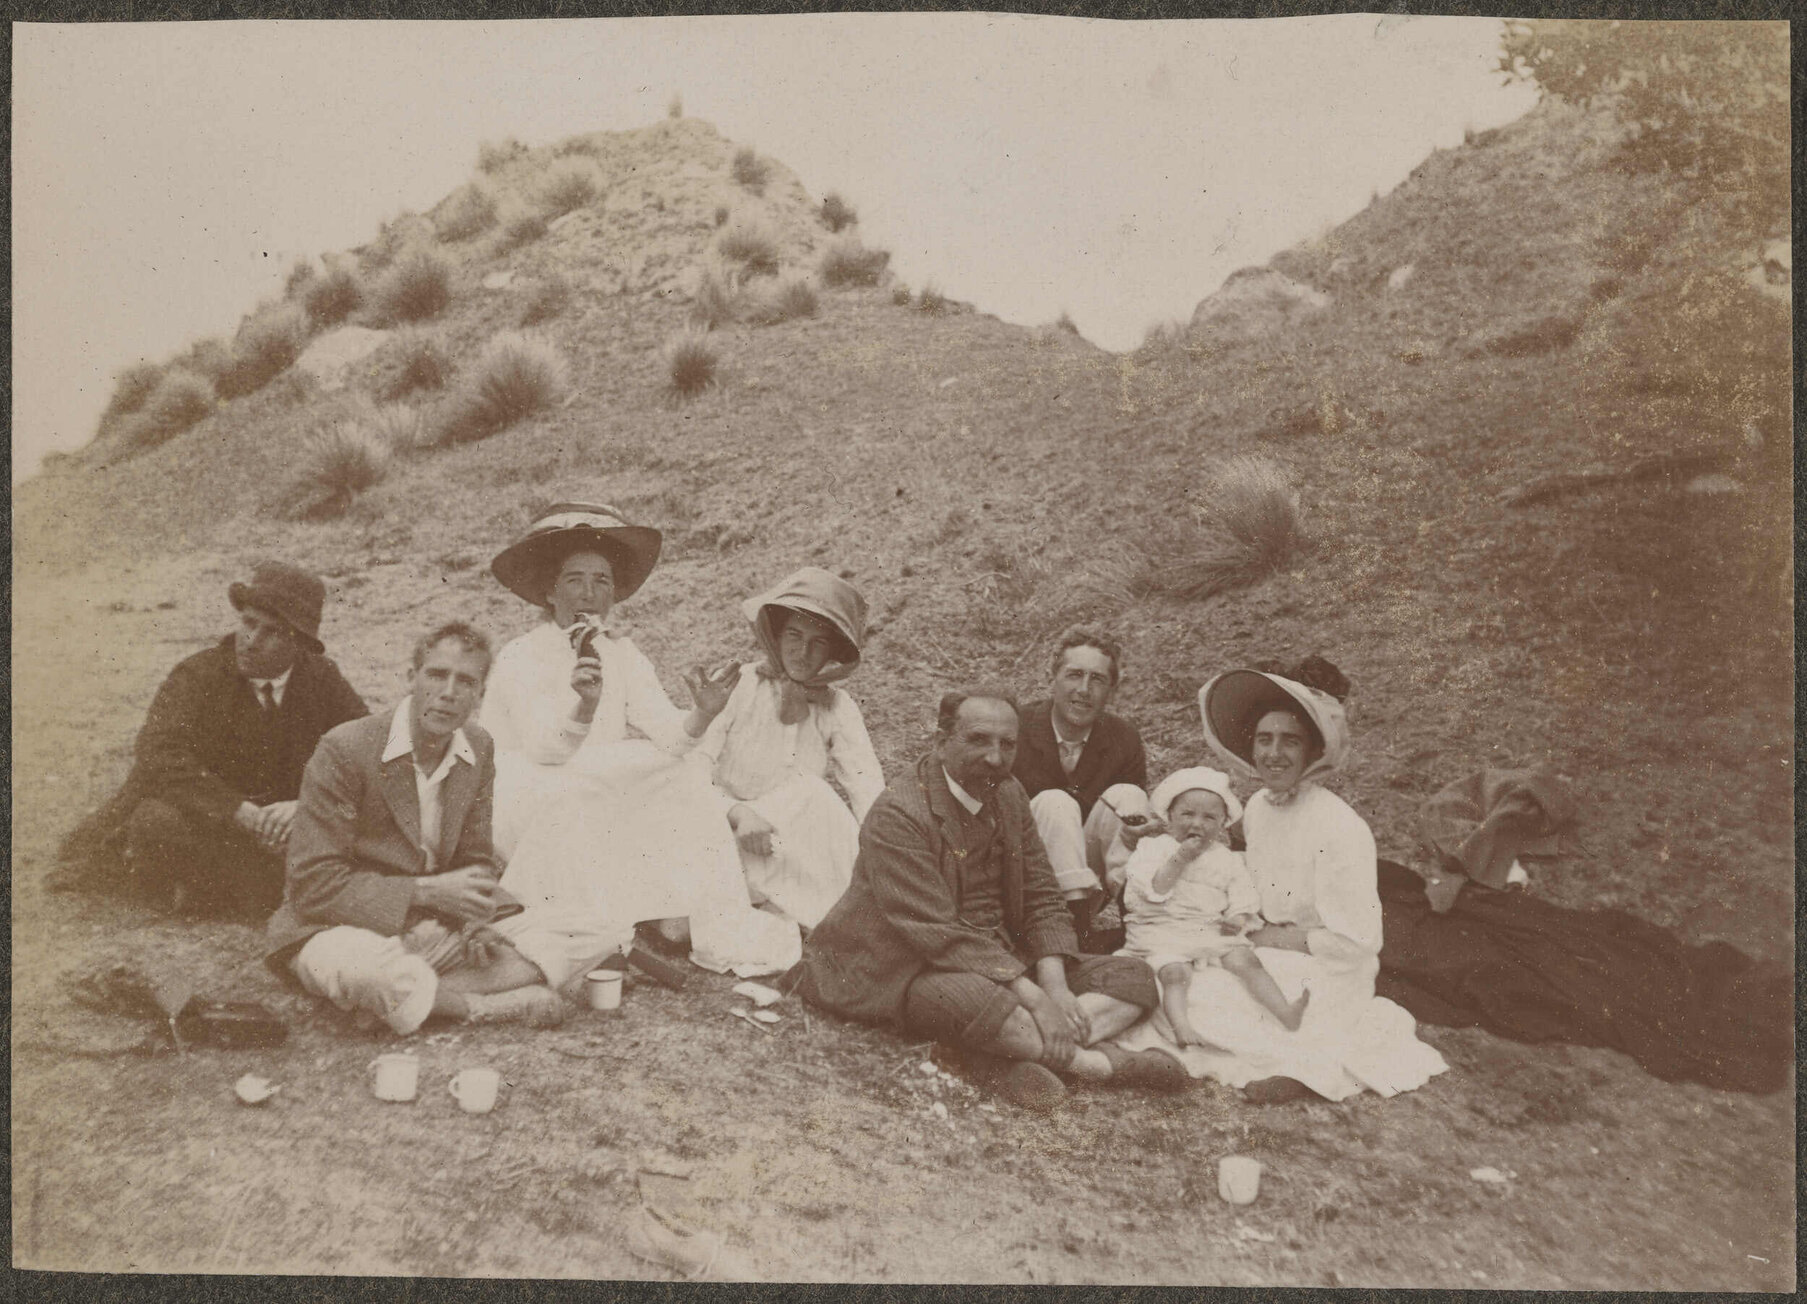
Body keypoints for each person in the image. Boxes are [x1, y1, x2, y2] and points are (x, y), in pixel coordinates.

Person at [794, 687, 1188, 1110]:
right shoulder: (899, 813)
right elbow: (936, 932)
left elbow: (1040, 891)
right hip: (908, 965)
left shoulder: (1009, 791)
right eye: (978, 739)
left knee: (1133, 978)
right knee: (980, 1004)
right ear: (941, 742)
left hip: (1003, 956)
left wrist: (1054, 986)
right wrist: (1035, 998)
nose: (995, 758)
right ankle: (1098, 1065)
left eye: (1007, 744)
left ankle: (986, 1055)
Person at [479, 502, 801, 986]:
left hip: (595, 776)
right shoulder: (521, 655)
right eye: (575, 579)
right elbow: (543, 752)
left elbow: (670, 738)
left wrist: (703, 713)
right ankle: (594, 934)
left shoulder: (621, 653)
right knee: (582, 791)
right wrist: (583, 707)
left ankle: (686, 911)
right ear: (549, 591)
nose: (589, 593)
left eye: (602, 581)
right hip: (524, 785)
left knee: (683, 773)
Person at [1113, 663, 1449, 1103]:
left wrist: (1263, 935)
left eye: (1290, 741)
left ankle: (1298, 1065)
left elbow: (1355, 942)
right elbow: (1240, 874)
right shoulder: (1256, 807)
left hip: (1328, 967)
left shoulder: (1339, 825)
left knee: (1218, 998)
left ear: (1311, 751)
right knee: (1179, 980)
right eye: (1264, 740)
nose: (1274, 753)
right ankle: (1270, 1051)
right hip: (1260, 949)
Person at [264, 622, 565, 1034]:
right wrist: (425, 893)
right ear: (411, 678)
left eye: (466, 681)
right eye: (437, 674)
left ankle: (405, 1000)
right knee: (371, 973)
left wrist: (475, 923)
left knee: (593, 931)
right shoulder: (345, 748)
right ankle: (480, 1005)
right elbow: (313, 886)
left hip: (434, 930)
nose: (448, 692)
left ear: (480, 695)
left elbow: (474, 859)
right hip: (338, 927)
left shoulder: (477, 746)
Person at [52, 560, 367, 916]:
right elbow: (157, 755)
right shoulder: (198, 675)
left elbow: (366, 747)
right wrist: (238, 811)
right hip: (206, 819)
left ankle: (216, 892)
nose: (251, 641)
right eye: (248, 623)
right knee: (157, 823)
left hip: (279, 828)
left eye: (272, 632)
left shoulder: (321, 678)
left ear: (299, 643)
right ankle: (226, 890)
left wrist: (305, 806)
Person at [694, 567, 884, 931]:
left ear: (832, 652)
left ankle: (810, 915)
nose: (802, 652)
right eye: (794, 636)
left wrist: (882, 853)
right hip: (727, 835)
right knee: (810, 792)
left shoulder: (837, 706)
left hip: (790, 844)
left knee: (814, 795)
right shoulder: (740, 686)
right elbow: (693, 769)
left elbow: (867, 789)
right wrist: (738, 813)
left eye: (818, 643)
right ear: (775, 637)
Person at [1118, 767, 1306, 1043]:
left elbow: (1244, 894)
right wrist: (1180, 858)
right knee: (1174, 973)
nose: (1197, 824)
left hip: (1206, 928)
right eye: (1187, 814)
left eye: (1209, 818)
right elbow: (1153, 888)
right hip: (1160, 928)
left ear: (1222, 825)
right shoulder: (1153, 848)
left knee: (1246, 959)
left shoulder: (1225, 859)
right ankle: (1181, 1026)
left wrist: (1238, 917)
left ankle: (1285, 1012)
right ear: (1169, 817)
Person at [1012, 629, 1151, 939]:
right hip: (1022, 879)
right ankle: (1071, 937)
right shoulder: (1017, 728)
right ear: (1053, 678)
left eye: (1098, 680)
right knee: (1055, 802)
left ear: (1112, 691)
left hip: (1088, 878)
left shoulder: (1123, 738)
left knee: (1128, 796)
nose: (1084, 690)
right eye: (1074, 675)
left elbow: (1128, 828)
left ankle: (1139, 925)